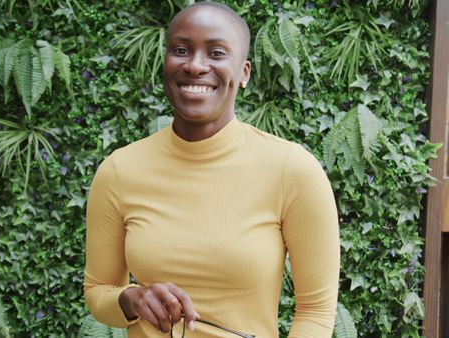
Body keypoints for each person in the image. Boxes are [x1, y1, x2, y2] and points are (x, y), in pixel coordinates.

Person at [84, 2, 340, 337]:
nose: (194, 65)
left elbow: (316, 313)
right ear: (165, 63)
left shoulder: (292, 171)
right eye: (181, 50)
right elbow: (98, 290)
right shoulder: (119, 170)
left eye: (217, 53)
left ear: (244, 72)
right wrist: (133, 298)